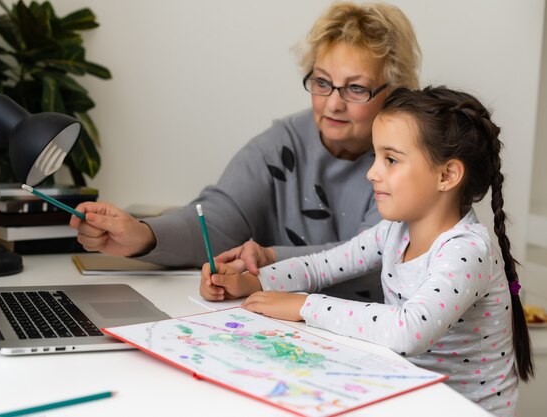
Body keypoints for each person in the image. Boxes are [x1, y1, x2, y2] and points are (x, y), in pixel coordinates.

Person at [199, 86, 533, 416]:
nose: (372, 173)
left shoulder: (466, 251)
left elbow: (408, 331)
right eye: (375, 157)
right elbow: (322, 267)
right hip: (409, 393)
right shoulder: (394, 230)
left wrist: (305, 305)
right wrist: (254, 282)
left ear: (446, 175)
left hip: (463, 409)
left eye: (390, 159)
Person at [71, 1, 421, 301]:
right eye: (321, 82)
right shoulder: (285, 141)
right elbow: (218, 218)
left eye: (356, 88)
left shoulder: (410, 159)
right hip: (287, 332)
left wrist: (268, 259)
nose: (332, 104)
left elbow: (378, 259)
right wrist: (143, 235)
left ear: (394, 91)